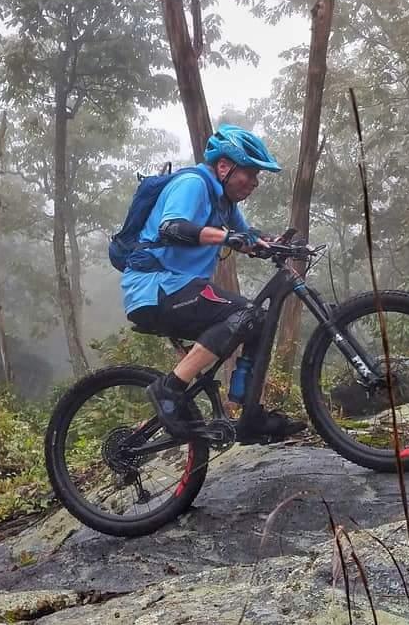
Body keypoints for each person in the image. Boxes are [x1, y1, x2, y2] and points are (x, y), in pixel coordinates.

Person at [121, 124, 306, 443]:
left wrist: (271, 243)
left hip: (180, 288)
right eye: (249, 173)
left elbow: (248, 237)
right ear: (224, 166)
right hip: (157, 287)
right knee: (246, 314)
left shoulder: (225, 204)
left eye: (257, 176)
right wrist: (229, 237)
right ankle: (169, 388)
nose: (254, 183)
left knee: (258, 321)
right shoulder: (193, 183)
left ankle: (250, 414)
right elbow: (171, 227)